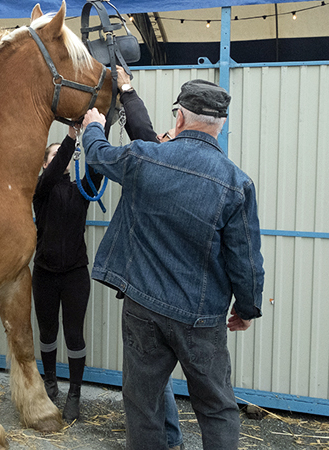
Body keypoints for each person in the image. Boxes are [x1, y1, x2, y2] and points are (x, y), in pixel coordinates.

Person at [81, 79, 264, 449]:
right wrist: (246, 308)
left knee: (142, 404)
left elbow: (99, 155)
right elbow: (246, 260)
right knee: (216, 408)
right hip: (201, 318)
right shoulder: (236, 183)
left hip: (142, 309)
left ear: (179, 118)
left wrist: (92, 127)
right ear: (221, 125)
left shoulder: (144, 157)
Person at [115, 66, 182, 450]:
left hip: (151, 293)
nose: (159, 137)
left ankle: (160, 440)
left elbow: (142, 132)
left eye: (167, 135)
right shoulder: (203, 171)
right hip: (179, 293)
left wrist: (126, 88)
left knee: (144, 380)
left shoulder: (160, 166)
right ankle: (171, 439)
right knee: (161, 377)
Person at [32, 125, 103, 423]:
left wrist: (96, 128)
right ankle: (50, 381)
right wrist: (70, 138)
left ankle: (74, 393)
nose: (60, 159)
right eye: (54, 157)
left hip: (75, 275)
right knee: (48, 333)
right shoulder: (41, 189)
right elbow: (53, 171)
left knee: (74, 335)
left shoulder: (80, 191)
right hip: (45, 274)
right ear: (47, 163)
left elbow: (97, 171)